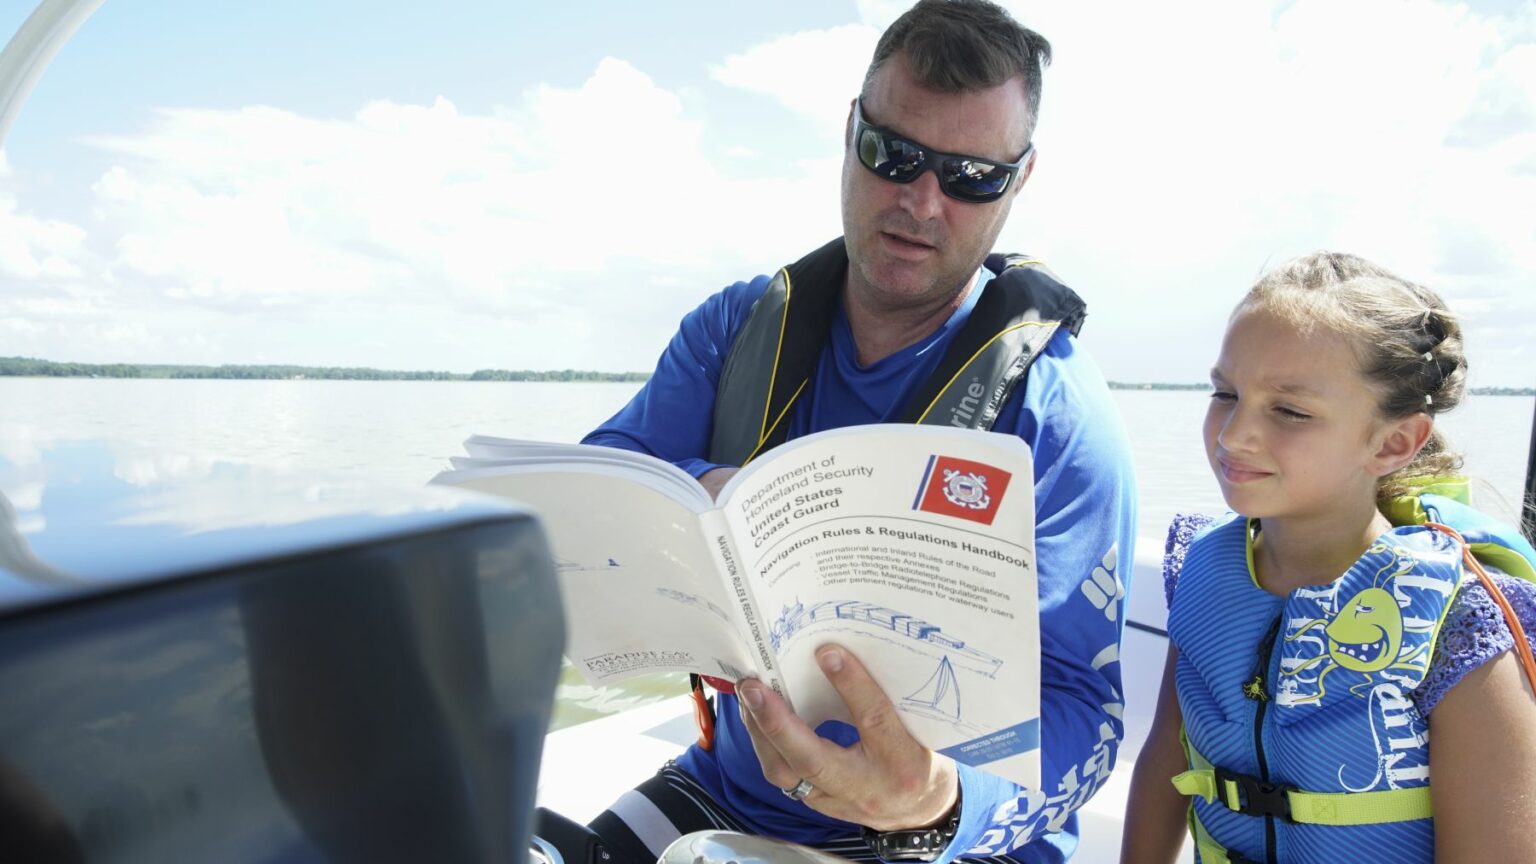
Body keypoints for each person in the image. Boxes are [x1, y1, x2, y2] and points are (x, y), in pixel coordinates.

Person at [576, 2, 1137, 862]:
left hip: (944, 841)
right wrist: (704, 495)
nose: (921, 202)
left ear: (1019, 180)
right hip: (726, 789)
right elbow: (595, 488)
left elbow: (1085, 714)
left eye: (971, 177)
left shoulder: (1055, 414)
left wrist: (938, 800)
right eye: (894, 155)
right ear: (850, 133)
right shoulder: (732, 332)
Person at [1121, 252, 1536, 863]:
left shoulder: (1456, 619)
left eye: (1289, 410)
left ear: (1394, 442)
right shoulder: (1206, 573)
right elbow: (1165, 759)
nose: (1234, 434)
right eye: (1225, 392)